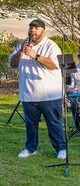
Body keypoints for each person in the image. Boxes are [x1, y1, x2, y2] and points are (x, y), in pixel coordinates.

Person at [9, 19, 66, 159]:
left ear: (43, 30)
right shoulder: (22, 45)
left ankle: (61, 148)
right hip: (28, 94)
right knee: (30, 125)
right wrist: (20, 52)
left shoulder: (51, 45)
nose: (32, 31)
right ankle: (30, 148)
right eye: (31, 28)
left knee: (54, 123)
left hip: (49, 94)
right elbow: (12, 64)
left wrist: (35, 55)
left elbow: (54, 65)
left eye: (36, 28)